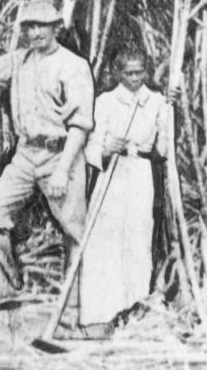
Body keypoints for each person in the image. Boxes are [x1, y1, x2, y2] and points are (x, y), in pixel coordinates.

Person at [0, 0, 94, 305]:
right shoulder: (18, 60)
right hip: (26, 155)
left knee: (74, 229)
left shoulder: (73, 66)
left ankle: (79, 304)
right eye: (29, 26)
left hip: (61, 154)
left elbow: (80, 125)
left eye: (42, 25)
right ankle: (3, 294)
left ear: (56, 28)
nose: (35, 32)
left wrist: (63, 170)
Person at [79, 48, 169, 338]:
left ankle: (133, 309)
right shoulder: (105, 101)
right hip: (111, 178)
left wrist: (170, 113)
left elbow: (164, 149)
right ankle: (99, 315)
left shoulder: (156, 102)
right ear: (117, 73)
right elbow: (91, 147)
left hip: (140, 175)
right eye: (128, 72)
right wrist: (105, 150)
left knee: (137, 239)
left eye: (139, 72)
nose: (134, 78)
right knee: (103, 243)